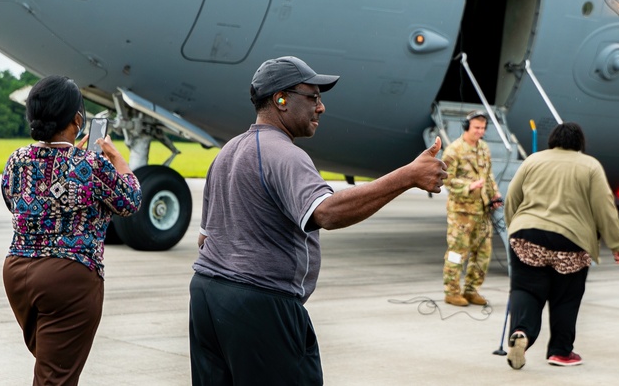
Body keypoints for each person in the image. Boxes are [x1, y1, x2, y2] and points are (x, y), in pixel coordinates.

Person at [189, 56, 447, 385]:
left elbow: (204, 239)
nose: (321, 107)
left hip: (206, 298)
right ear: (281, 100)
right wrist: (408, 176)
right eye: (313, 97)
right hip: (261, 304)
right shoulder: (285, 154)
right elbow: (326, 212)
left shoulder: (227, 152)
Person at [1, 75, 142, 386]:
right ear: (78, 120)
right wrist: (118, 161)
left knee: (51, 367)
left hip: (17, 272)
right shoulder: (91, 165)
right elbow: (131, 201)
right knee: (56, 378)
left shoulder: (16, 160)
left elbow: (18, 203)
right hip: (68, 276)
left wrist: (70, 166)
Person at [503, 122, 619, 369]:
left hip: (527, 235)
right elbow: (604, 207)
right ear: (580, 143)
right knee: (565, 298)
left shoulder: (533, 160)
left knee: (526, 289)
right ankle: (560, 351)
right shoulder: (590, 166)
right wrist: (616, 243)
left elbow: (512, 198)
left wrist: (514, 228)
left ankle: (521, 333)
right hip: (571, 241)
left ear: (552, 140)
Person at [440, 109, 502, 306]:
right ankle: (451, 291)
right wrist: (468, 186)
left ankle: (471, 290)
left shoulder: (484, 148)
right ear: (467, 127)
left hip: (482, 210)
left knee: (483, 253)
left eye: (483, 128)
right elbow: (445, 179)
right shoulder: (454, 150)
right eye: (476, 128)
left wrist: (495, 195)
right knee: (458, 252)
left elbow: (488, 175)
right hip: (461, 212)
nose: (480, 132)